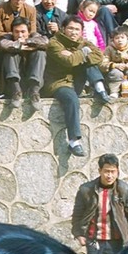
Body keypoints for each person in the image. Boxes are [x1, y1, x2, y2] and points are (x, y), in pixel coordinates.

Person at [44, 14, 108, 158]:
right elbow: (69, 62)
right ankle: (74, 141)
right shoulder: (55, 43)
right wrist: (82, 53)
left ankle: (100, 88)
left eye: (77, 30)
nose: (74, 32)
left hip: (76, 82)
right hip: (58, 83)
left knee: (88, 62)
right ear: (63, 29)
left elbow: (99, 56)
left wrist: (78, 54)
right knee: (72, 98)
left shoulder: (83, 42)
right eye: (70, 29)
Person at [70, 152, 128, 254]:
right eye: (106, 171)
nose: (109, 175)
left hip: (117, 242)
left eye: (113, 171)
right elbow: (77, 214)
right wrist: (78, 234)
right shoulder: (86, 190)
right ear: (100, 170)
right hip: (94, 240)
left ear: (118, 172)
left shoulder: (125, 190)